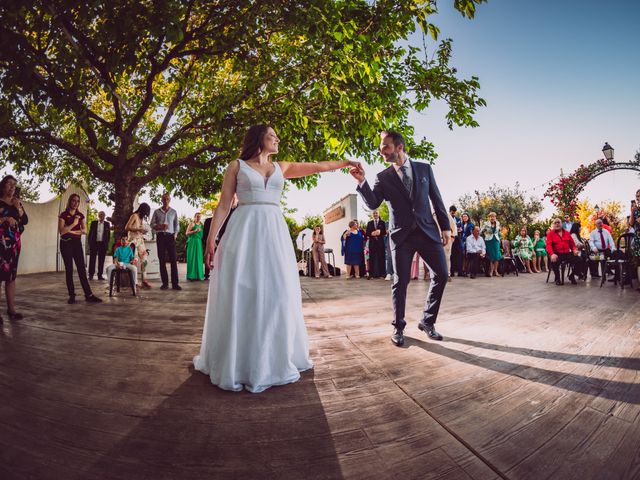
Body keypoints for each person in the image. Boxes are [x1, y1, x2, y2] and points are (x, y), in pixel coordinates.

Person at [193, 124, 360, 392]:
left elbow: (317, 166)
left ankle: (272, 357)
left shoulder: (281, 167)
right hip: (243, 230)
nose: (278, 139)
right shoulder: (236, 166)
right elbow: (224, 204)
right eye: (272, 135)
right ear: (260, 138)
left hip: (274, 232)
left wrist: (345, 163)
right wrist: (211, 239)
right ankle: (240, 361)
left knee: (278, 292)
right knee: (242, 290)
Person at [351, 130, 450, 346]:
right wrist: (362, 182)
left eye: (385, 146)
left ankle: (427, 321)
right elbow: (373, 203)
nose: (381, 150)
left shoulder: (424, 168)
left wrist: (446, 227)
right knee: (400, 281)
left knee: (442, 275)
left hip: (427, 231)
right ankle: (398, 327)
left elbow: (436, 197)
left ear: (399, 147)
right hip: (401, 236)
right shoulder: (383, 177)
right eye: (380, 147)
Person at [58, 194, 102, 304]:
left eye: (77, 201)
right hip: (65, 243)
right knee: (69, 269)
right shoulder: (63, 215)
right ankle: (72, 296)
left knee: (82, 269)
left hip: (76, 243)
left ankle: (89, 295)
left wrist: (70, 230)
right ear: (70, 201)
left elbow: (85, 231)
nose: (76, 203)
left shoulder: (80, 215)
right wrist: (74, 224)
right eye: (73, 200)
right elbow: (61, 231)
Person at [0, 175, 29, 321]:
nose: (12, 187)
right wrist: (4, 219)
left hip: (14, 245)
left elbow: (25, 221)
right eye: (9, 184)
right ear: (3, 186)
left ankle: (11, 310)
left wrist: (18, 208)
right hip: (0, 244)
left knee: (11, 277)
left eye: (14, 185)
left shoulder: (17, 203)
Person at [151, 193, 181, 290]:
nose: (166, 200)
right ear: (161, 200)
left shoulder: (174, 212)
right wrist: (160, 226)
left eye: (167, 199)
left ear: (170, 200)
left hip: (170, 237)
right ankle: (165, 283)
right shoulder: (156, 212)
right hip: (160, 236)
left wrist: (175, 235)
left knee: (173, 260)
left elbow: (177, 226)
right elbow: (152, 224)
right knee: (162, 259)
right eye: (164, 199)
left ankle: (175, 284)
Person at [125, 203, 152, 289]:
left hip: (140, 241)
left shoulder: (140, 219)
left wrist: (142, 232)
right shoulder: (134, 216)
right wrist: (138, 229)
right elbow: (127, 227)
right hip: (133, 242)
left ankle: (144, 281)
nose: (146, 214)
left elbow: (138, 230)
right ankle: (134, 283)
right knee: (134, 262)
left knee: (144, 261)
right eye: (146, 212)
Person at [545, 217, 580, 285]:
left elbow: (572, 244)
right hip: (557, 254)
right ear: (553, 225)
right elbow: (548, 245)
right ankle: (558, 278)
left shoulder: (567, 233)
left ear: (562, 224)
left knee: (580, 260)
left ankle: (572, 276)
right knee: (554, 261)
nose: (557, 224)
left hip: (567, 253)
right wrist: (552, 254)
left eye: (559, 222)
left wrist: (574, 250)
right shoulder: (550, 234)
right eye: (555, 223)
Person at [88, 211, 111, 280]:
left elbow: (108, 235)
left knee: (101, 260)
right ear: (98, 216)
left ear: (104, 216)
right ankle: (91, 275)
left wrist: (107, 244)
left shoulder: (107, 224)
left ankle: (100, 275)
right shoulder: (93, 223)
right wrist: (90, 243)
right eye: (100, 215)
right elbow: (90, 234)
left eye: (103, 215)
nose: (102, 216)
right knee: (92, 259)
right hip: (94, 243)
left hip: (103, 244)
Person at [365, 210, 387, 278]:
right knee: (372, 258)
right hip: (372, 243)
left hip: (380, 243)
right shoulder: (369, 223)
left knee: (381, 258)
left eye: (376, 213)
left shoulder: (382, 222)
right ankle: (371, 274)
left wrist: (380, 232)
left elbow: (385, 232)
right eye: (374, 213)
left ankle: (382, 274)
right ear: (372, 215)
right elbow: (367, 233)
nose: (375, 214)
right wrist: (372, 233)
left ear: (378, 214)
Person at [482, 212, 503, 277]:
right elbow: (481, 231)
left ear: (495, 217)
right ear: (489, 217)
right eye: (491, 216)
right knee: (491, 257)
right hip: (489, 241)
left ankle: (496, 271)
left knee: (496, 256)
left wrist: (500, 238)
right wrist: (484, 237)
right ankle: (491, 271)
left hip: (496, 241)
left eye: (493, 216)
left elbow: (498, 232)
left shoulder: (498, 223)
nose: (492, 218)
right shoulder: (486, 224)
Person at [185, 212, 205, 281]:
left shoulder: (201, 225)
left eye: (199, 216)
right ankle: (191, 276)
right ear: (194, 217)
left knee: (199, 258)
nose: (198, 218)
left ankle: (198, 275)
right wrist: (195, 230)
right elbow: (187, 233)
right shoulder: (192, 224)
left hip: (199, 243)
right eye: (197, 216)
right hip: (192, 242)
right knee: (192, 258)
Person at [449, 206, 464, 277]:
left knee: (460, 255)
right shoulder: (447, 218)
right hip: (451, 239)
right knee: (452, 256)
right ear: (450, 211)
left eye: (455, 212)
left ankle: (460, 271)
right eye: (452, 212)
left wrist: (459, 229)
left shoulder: (458, 219)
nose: (454, 214)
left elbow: (461, 228)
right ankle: (451, 272)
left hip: (458, 239)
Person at [202, 215, 212, 280]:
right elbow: (205, 232)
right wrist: (205, 241)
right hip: (209, 241)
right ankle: (206, 274)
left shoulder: (224, 219)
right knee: (208, 257)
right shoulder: (208, 220)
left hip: (219, 241)